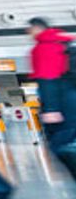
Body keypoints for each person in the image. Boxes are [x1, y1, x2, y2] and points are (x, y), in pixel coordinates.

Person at [28, 18, 76, 154]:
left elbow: (47, 78)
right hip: (71, 97)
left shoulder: (43, 47)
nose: (29, 32)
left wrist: (50, 108)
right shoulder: (64, 43)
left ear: (37, 28)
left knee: (60, 145)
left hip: (62, 101)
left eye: (30, 29)